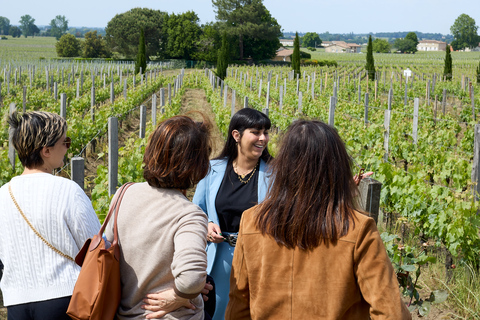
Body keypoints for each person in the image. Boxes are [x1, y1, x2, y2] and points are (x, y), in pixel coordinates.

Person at [226, 120, 412, 320]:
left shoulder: (252, 220)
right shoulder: (357, 228)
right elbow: (391, 313)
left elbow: (239, 305)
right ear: (337, 168)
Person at [105, 115, 212, 320]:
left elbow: (110, 251)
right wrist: (178, 296)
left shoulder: (123, 194)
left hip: (125, 313)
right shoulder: (188, 214)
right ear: (197, 164)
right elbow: (190, 279)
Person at [0, 111, 101, 320]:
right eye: (65, 141)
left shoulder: (3, 194)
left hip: (16, 303)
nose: (67, 147)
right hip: (65, 300)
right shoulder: (67, 190)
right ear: (46, 151)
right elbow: (96, 247)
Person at [192, 108, 272, 320]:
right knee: (216, 312)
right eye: (255, 132)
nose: (263, 138)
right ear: (236, 135)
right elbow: (196, 210)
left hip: (258, 260)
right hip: (219, 260)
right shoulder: (212, 169)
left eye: (266, 132)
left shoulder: (275, 173)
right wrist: (207, 225)